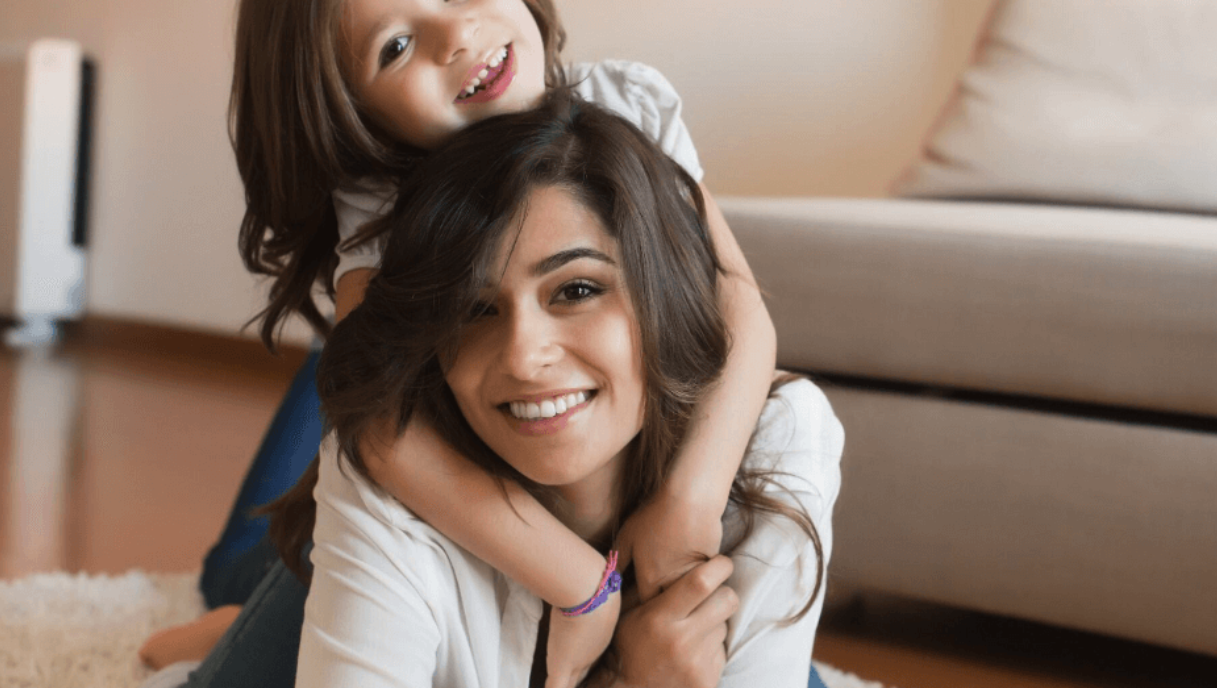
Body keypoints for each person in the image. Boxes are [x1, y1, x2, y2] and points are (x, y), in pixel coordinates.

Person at [140, 0, 779, 684]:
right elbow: (376, 424)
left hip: (551, 489)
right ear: (356, 116)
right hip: (437, 496)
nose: (457, 35)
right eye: (395, 47)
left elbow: (738, 302)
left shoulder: (621, 107)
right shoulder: (381, 200)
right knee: (350, 396)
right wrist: (581, 585)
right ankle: (231, 599)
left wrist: (688, 504)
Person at [289, 90, 840, 686]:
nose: (525, 358)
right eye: (476, 310)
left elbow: (739, 299)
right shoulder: (392, 471)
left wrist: (689, 502)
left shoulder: (776, 438)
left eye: (576, 290)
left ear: (665, 293)